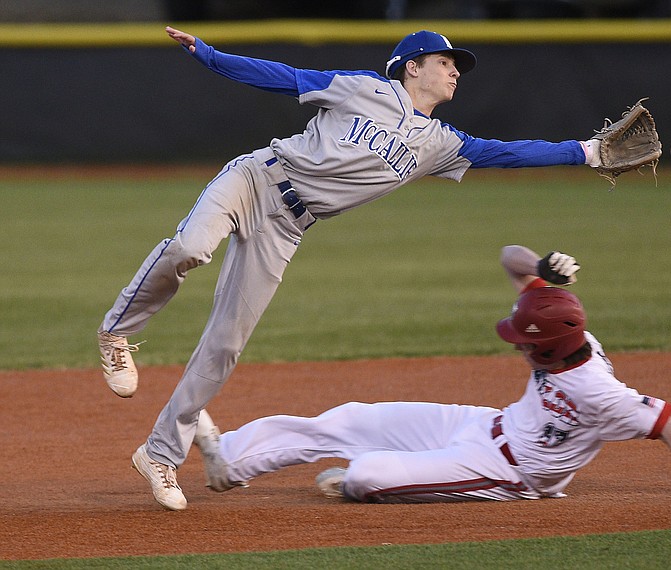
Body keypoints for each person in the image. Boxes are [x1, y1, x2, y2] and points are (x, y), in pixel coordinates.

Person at [101, 26, 607, 510]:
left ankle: (161, 454)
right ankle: (117, 332)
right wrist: (209, 55)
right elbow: (283, 76)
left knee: (226, 344)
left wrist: (585, 152)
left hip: (287, 229)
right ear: (413, 67)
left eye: (457, 66)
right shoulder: (363, 89)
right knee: (191, 247)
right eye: (445, 62)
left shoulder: (440, 143)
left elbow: (509, 153)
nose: (455, 72)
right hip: (256, 179)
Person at [190, 244, 671, 505]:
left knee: (365, 475)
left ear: (545, 351)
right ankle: (229, 460)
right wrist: (543, 269)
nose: (517, 346)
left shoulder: (600, 391)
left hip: (509, 472)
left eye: (523, 343)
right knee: (351, 419)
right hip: (481, 424)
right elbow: (509, 256)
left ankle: (382, 478)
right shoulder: (560, 325)